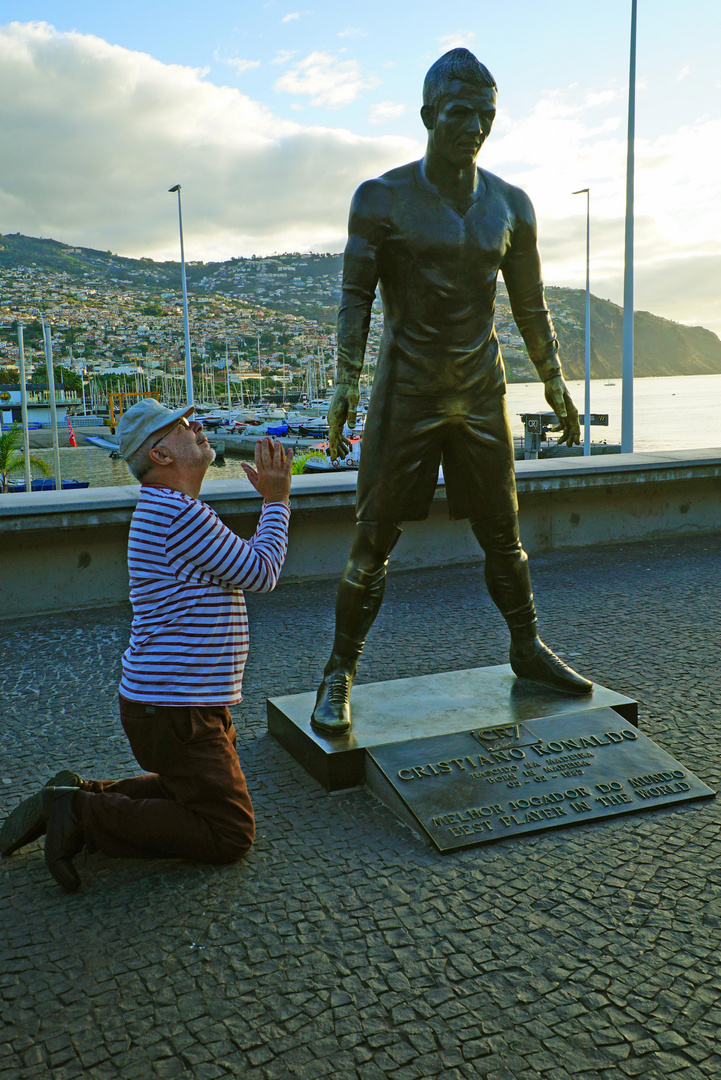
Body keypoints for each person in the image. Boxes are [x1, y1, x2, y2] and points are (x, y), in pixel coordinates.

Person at [311, 48, 592, 736]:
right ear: (427, 116)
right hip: (406, 391)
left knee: (504, 537)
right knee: (372, 540)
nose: (474, 126)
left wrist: (554, 382)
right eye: (460, 112)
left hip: (480, 389)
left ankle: (525, 649)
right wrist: (345, 381)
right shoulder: (380, 198)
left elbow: (530, 307)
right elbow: (355, 297)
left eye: (486, 115)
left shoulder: (510, 205)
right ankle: (338, 670)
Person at [0, 398, 293, 892]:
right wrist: (277, 500)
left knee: (190, 791)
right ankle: (80, 812)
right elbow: (262, 571)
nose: (197, 426)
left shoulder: (169, 510)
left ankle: (75, 795)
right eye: (181, 425)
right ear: (160, 455)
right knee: (228, 832)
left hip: (174, 705)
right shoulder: (177, 514)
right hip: (178, 709)